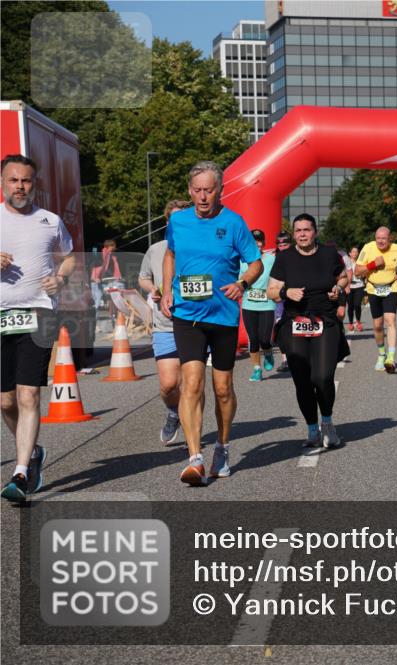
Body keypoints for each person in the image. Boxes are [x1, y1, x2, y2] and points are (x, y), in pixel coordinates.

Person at [159, 161, 263, 486]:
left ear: (220, 190)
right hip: (188, 314)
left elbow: (256, 263)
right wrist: (166, 290)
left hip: (223, 316)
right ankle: (195, 457)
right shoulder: (178, 221)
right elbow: (170, 255)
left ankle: (222, 445)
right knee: (191, 383)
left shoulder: (233, 223)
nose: (203, 196)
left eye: (209, 190)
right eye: (197, 190)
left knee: (222, 388)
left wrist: (242, 284)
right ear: (190, 190)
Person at [1, 154, 76, 501]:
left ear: (34, 185)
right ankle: (32, 452)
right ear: (3, 184)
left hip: (38, 312)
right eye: (14, 180)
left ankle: (20, 473)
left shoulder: (50, 221)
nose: (20, 186)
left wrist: (59, 278)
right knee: (5, 402)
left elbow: (69, 256)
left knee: (28, 393)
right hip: (1, 314)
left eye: (26, 181)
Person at [267, 214, 349, 448]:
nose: (302, 234)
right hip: (295, 323)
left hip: (325, 320)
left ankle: (327, 422)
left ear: (315, 232)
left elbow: (342, 278)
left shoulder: (328, 254)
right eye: (298, 230)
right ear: (294, 234)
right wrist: (285, 293)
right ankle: (312, 429)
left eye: (307, 230)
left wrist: (337, 288)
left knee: (322, 377)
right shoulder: (285, 258)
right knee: (302, 381)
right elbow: (270, 291)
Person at [138, 199, 191, 444]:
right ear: (168, 222)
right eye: (175, 219)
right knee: (169, 384)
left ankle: (194, 438)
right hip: (165, 325)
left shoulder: (198, 246)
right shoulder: (156, 249)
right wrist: (152, 290)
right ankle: (173, 413)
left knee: (193, 385)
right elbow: (143, 278)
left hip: (195, 324)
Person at [355, 226, 397, 374]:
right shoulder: (368, 248)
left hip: (391, 287)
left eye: (384, 238)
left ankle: (390, 359)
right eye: (378, 238)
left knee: (390, 321)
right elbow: (357, 271)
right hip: (373, 289)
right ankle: (382, 354)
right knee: (378, 326)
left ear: (389, 238)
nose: (380, 241)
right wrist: (373, 264)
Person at [241, 229, 277, 382]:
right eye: (253, 241)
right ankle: (256, 369)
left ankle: (268, 352)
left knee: (264, 339)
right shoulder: (241, 260)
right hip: (248, 304)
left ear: (263, 243)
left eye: (259, 241)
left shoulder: (271, 259)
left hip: (267, 304)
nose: (256, 244)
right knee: (253, 339)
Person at [273, 230, 292, 370]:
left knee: (294, 328)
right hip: (279, 299)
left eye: (285, 243)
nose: (282, 246)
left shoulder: (296, 256)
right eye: (279, 243)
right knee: (281, 329)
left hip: (294, 297)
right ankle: (285, 360)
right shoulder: (273, 257)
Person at [346, 246, 365, 332]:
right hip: (349, 286)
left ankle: (358, 322)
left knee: (357, 305)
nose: (355, 253)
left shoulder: (361, 262)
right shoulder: (346, 262)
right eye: (353, 252)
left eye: (356, 252)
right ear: (350, 253)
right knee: (350, 306)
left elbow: (365, 273)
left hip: (359, 286)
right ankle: (350, 323)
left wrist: (361, 275)